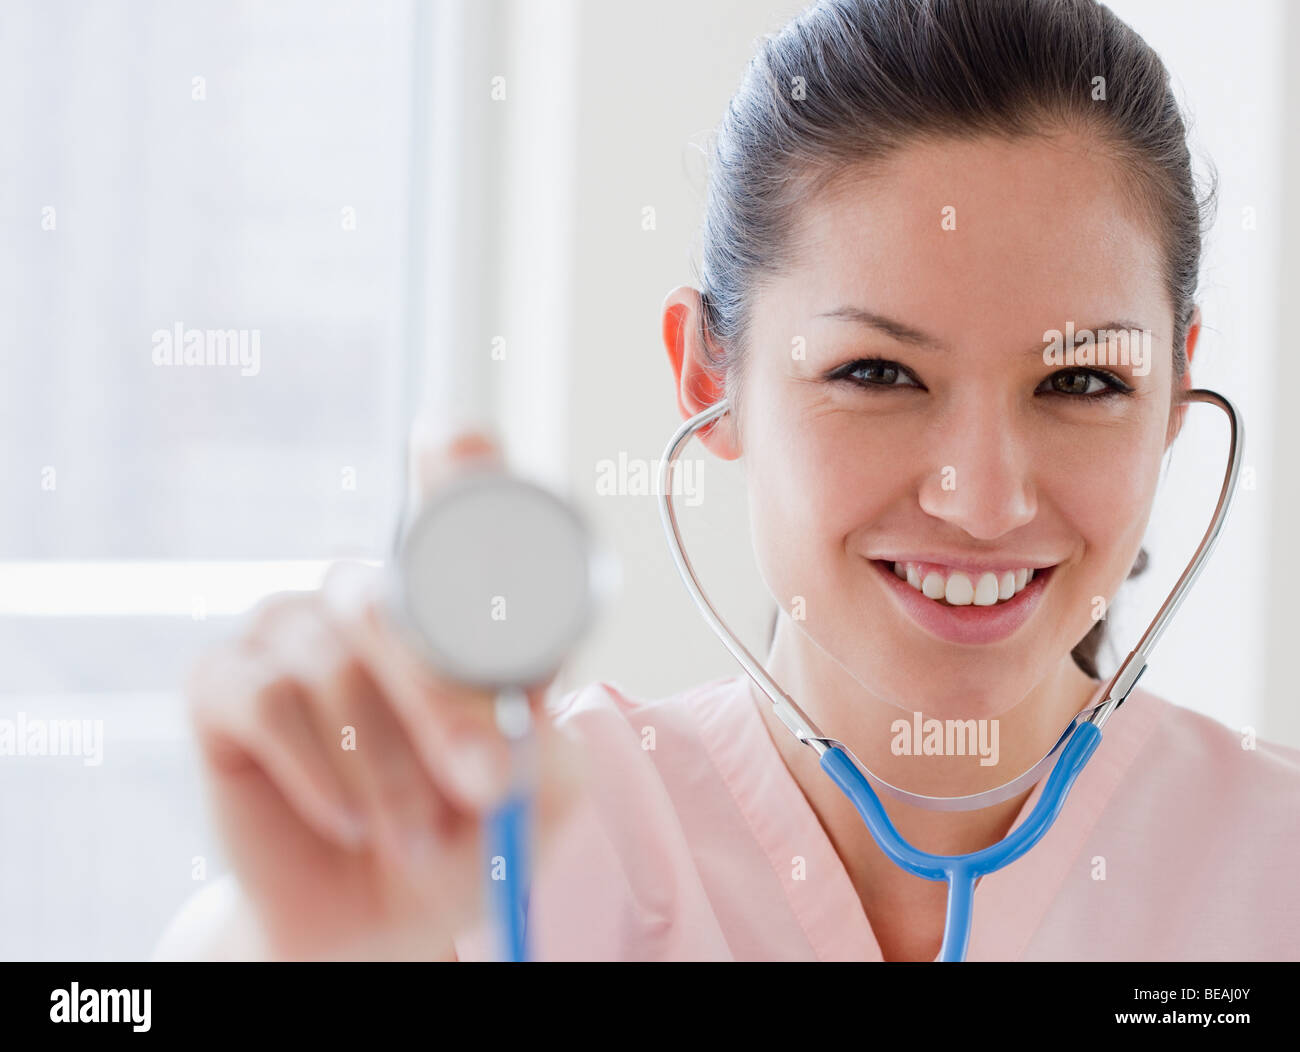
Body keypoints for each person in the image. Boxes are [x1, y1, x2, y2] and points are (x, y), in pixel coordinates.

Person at [154, 0, 1300, 962]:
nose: (984, 498)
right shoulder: (499, 849)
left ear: (1176, 391)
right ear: (708, 373)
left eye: (1082, 382)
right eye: (876, 370)